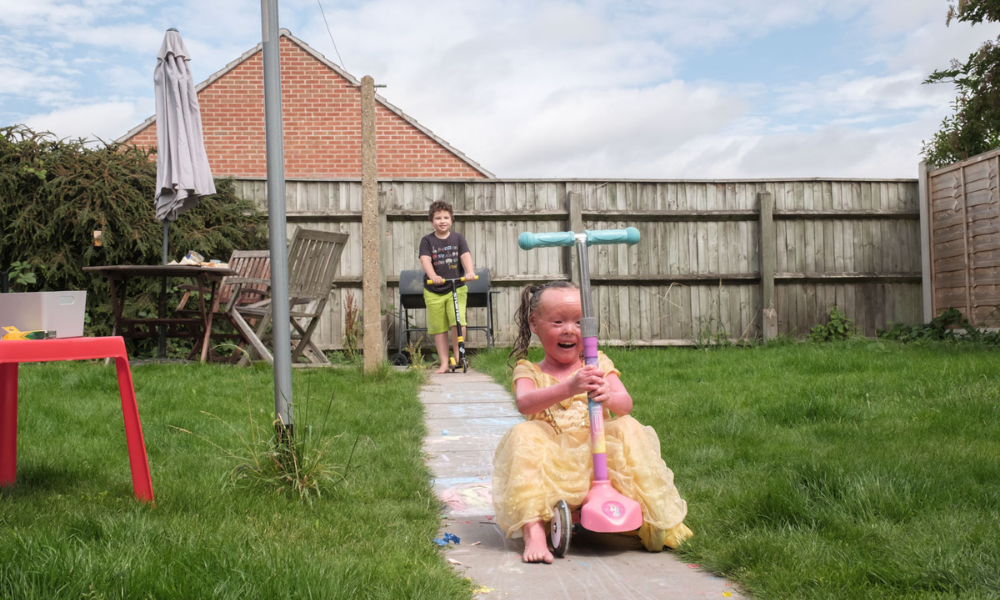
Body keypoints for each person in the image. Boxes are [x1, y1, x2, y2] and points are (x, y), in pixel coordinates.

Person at [492, 281, 693, 563]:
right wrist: (570, 387)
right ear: (535, 323)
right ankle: (534, 531)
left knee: (627, 426)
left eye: (578, 322)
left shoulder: (596, 362)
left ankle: (659, 519)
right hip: (555, 462)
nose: (569, 330)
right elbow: (525, 402)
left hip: (597, 458)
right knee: (523, 433)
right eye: (558, 321)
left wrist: (608, 395)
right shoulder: (529, 370)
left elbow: (625, 405)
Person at [419, 200, 475, 374]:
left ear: (451, 220)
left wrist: (470, 271)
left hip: (456, 288)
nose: (442, 221)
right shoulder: (427, 240)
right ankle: (443, 362)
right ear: (431, 221)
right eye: (437, 218)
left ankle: (459, 356)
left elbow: (465, 255)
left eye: (445, 217)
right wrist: (433, 276)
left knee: (457, 322)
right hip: (434, 291)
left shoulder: (458, 238)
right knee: (439, 328)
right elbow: (425, 259)